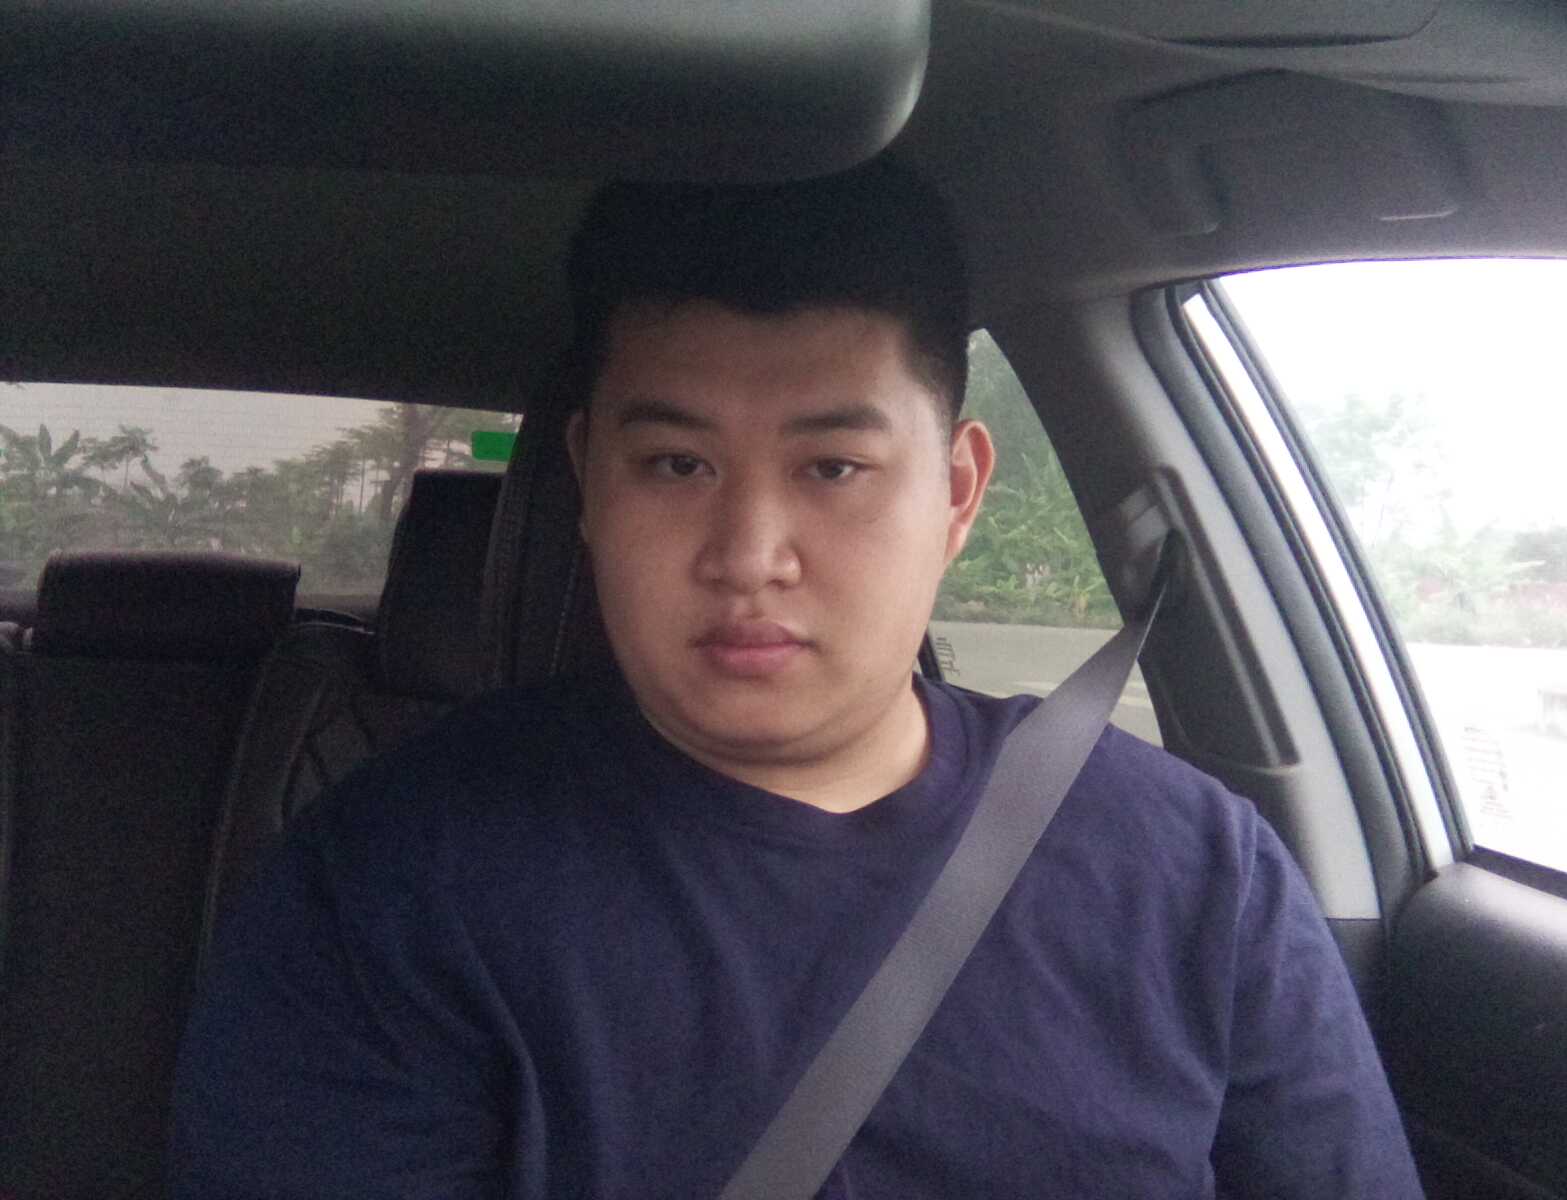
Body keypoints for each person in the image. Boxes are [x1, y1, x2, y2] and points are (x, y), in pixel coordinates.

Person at [169, 159, 1424, 1198]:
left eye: (832, 469)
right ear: (587, 483)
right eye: (677, 466)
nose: (748, 556)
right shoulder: (385, 890)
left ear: (956, 493)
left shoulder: (1196, 871)